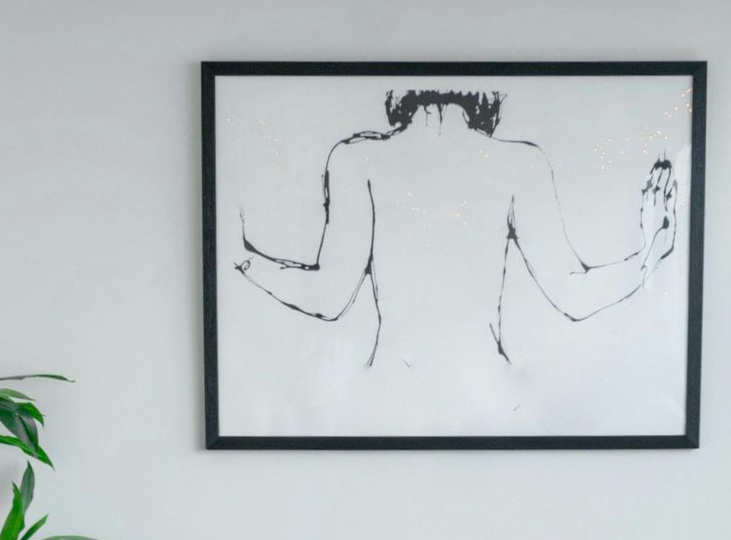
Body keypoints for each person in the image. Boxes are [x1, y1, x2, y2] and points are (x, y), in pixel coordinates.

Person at [234, 86, 676, 373]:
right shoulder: (520, 164)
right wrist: (650, 253)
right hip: (490, 392)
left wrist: (242, 258)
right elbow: (573, 296)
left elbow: (328, 298)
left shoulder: (357, 161)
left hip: (390, 394)